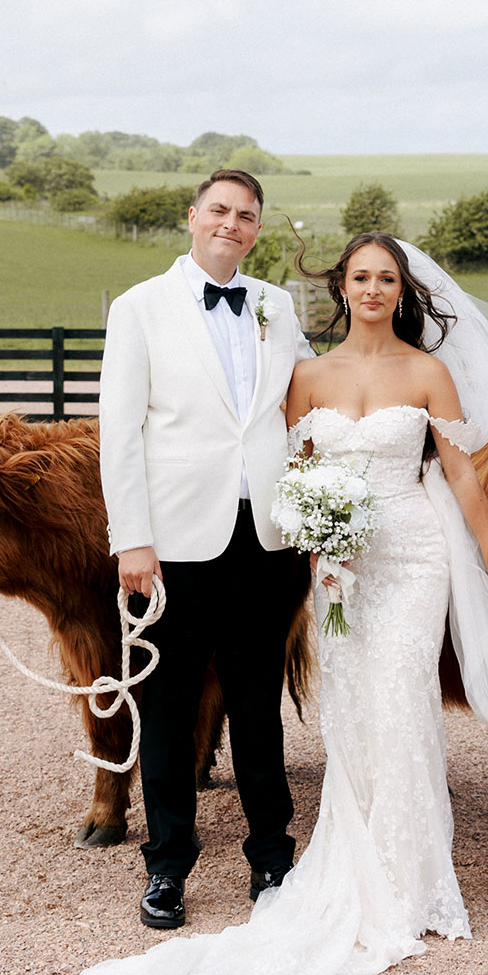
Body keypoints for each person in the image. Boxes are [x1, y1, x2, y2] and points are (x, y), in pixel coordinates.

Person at [48, 233, 488, 975]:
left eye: (387, 278)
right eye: (361, 276)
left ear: (404, 290)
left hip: (416, 555)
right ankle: (345, 866)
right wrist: (320, 545)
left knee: (403, 699)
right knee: (352, 708)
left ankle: (415, 879)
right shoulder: (307, 376)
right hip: (338, 566)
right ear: (342, 287)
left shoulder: (429, 373)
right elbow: (289, 471)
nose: (374, 289)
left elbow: (459, 470)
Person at [94, 167, 313, 931]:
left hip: (268, 539)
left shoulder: (277, 306)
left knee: (259, 704)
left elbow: (301, 406)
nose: (232, 223)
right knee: (170, 708)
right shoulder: (139, 309)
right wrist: (134, 541)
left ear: (256, 229)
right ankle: (167, 866)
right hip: (175, 545)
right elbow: (119, 432)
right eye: (219, 210)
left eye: (246, 215)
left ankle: (271, 858)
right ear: (193, 217)